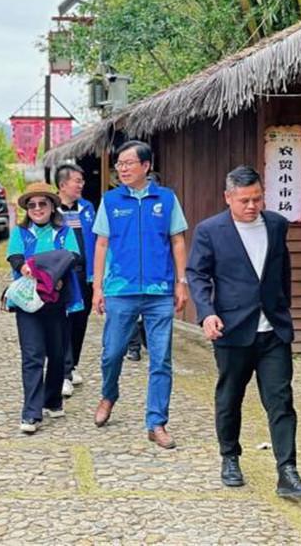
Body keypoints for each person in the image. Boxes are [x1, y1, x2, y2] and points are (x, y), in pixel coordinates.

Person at [186, 165, 301, 498]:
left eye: (257, 198)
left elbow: (282, 268)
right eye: (244, 200)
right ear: (228, 197)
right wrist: (207, 313)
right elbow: (197, 274)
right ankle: (230, 457)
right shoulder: (210, 230)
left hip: (273, 330)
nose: (252, 206)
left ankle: (287, 472)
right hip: (232, 329)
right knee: (230, 397)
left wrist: (283, 308)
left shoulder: (276, 224)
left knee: (281, 400)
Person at [91, 140, 189, 449]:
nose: (122, 169)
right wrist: (97, 287)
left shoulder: (167, 199)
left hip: (159, 291)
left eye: (128, 163)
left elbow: (177, 241)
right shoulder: (110, 201)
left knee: (161, 359)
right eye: (119, 164)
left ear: (146, 166)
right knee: (112, 352)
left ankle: (156, 422)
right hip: (121, 289)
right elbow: (102, 244)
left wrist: (181, 282)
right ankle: (109, 394)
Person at [6, 182, 82, 434]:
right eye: (32, 205)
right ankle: (31, 412)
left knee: (57, 355)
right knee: (32, 355)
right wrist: (25, 268)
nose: (37, 208)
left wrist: (55, 276)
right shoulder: (20, 232)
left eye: (42, 204)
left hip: (57, 300)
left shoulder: (63, 232)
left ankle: (52, 399)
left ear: (52, 206)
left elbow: (74, 257)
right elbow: (15, 257)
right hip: (29, 301)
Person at [54, 164, 96, 398]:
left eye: (82, 181)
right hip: (63, 274)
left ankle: (73, 364)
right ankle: (63, 372)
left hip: (85, 273)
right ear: (63, 185)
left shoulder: (87, 208)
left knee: (80, 319)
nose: (81, 185)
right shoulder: (52, 209)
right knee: (63, 320)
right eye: (77, 181)